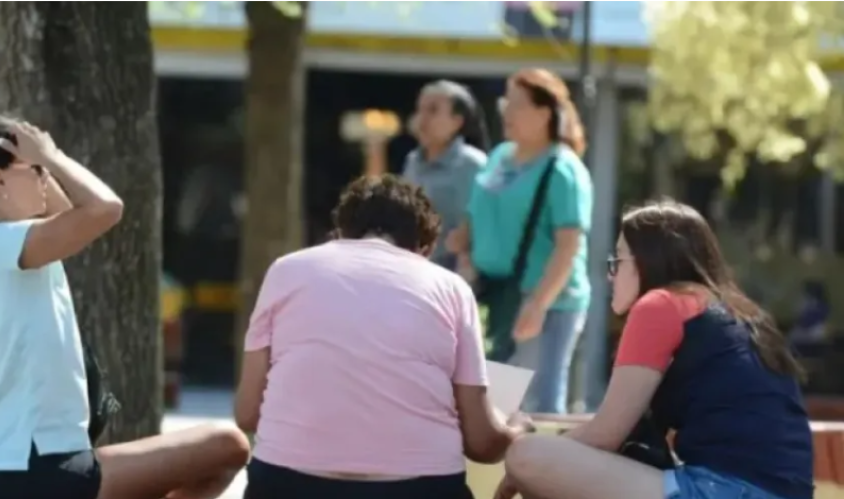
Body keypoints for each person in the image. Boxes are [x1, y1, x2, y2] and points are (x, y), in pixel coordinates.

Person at [0, 116, 250, 499]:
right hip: (35, 468)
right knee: (228, 445)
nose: (44, 178)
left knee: (223, 449)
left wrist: (41, 161)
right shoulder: (3, 245)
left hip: (1, 466)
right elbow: (106, 209)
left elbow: (70, 214)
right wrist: (56, 155)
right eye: (34, 171)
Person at [234, 175, 533, 499]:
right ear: (426, 249)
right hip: (418, 489)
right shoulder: (450, 289)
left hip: (286, 486)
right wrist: (517, 430)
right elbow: (482, 444)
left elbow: (248, 412)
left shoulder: (284, 271)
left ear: (339, 235)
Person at [496, 200, 814, 499]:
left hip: (724, 489)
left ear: (649, 261)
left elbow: (606, 434)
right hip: (771, 490)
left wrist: (522, 458)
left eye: (616, 262)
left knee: (528, 456)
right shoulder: (738, 311)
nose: (610, 276)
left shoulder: (660, 304)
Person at [448, 68, 593, 414]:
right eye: (505, 103)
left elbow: (568, 245)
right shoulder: (500, 157)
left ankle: (544, 467)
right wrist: (464, 250)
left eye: (516, 105)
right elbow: (475, 213)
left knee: (536, 404)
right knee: (495, 402)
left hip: (544, 302)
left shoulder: (563, 169)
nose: (506, 113)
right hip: (495, 295)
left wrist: (540, 303)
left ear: (545, 114)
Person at [402, 80, 489, 269]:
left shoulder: (473, 165)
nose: (422, 119)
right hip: (415, 270)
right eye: (420, 110)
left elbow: (484, 227)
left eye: (433, 110)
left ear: (457, 122)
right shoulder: (413, 161)